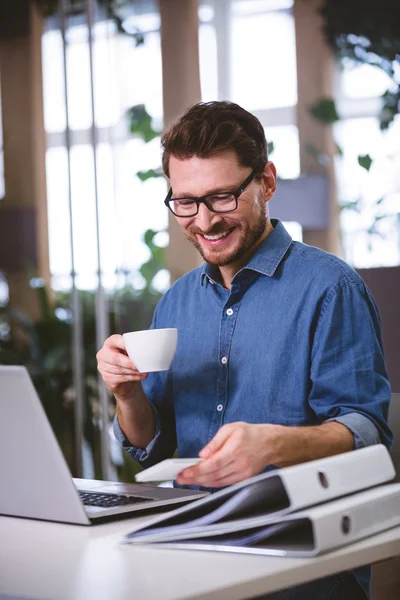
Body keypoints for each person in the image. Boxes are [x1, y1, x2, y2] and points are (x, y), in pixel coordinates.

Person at [97, 101, 392, 599]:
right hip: (189, 550)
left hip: (300, 564)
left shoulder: (330, 288)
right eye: (185, 202)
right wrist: (126, 395)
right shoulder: (177, 301)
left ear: (267, 183)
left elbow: (367, 431)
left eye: (222, 197)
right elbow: (155, 444)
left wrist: (273, 444)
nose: (205, 221)